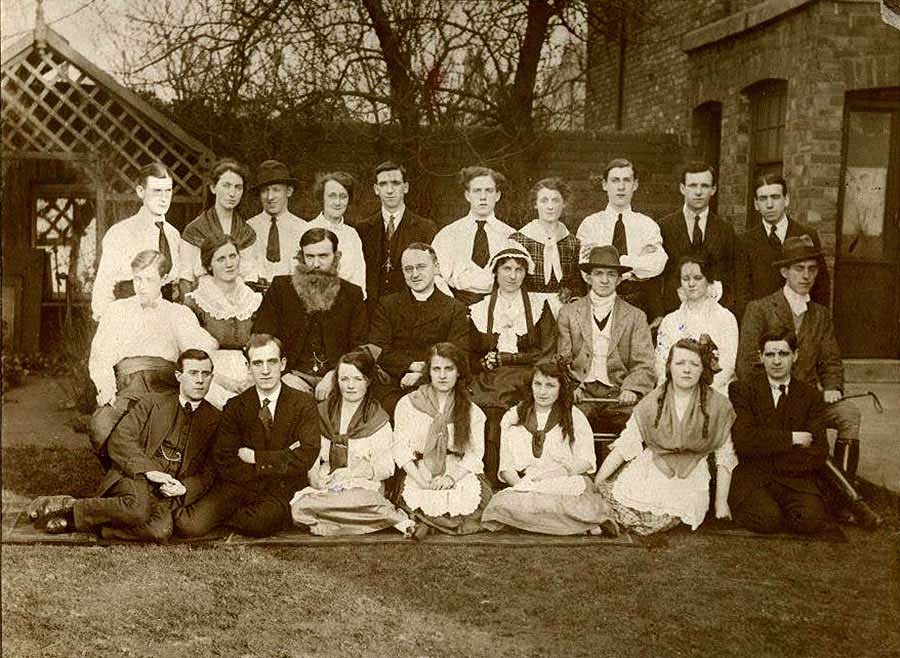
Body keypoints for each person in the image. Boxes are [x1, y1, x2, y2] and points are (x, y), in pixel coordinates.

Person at [29, 350, 221, 541]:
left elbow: (210, 469)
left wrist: (184, 488)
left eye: (205, 374)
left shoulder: (215, 419)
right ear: (179, 376)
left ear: (211, 378)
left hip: (171, 490)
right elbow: (121, 438)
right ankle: (69, 507)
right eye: (193, 373)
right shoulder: (152, 403)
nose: (200, 380)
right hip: (135, 476)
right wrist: (149, 471)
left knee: (160, 531)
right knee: (137, 509)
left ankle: (87, 525)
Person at [736, 235, 862, 480]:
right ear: (784, 271)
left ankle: (846, 496)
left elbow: (831, 360)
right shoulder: (760, 309)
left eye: (812, 269)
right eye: (799, 269)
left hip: (810, 402)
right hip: (770, 402)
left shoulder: (820, 315)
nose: (806, 276)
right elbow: (747, 363)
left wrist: (832, 386)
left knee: (850, 413)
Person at [177, 334, 321, 538]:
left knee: (259, 522)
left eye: (271, 362)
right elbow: (223, 457)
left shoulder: (303, 404)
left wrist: (256, 458)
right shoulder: (236, 406)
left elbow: (307, 454)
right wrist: (280, 458)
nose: (265, 370)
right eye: (257, 363)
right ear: (248, 367)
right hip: (239, 485)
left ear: (283, 364)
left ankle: (236, 520)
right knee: (189, 525)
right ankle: (227, 519)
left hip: (280, 488)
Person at [594, 338, 737, 535]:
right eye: (680, 363)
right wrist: (596, 484)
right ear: (669, 367)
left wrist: (721, 502)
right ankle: (605, 518)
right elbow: (625, 447)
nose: (687, 370)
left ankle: (611, 522)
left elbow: (725, 456)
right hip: (650, 470)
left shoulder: (717, 405)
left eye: (694, 364)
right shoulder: (653, 401)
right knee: (605, 495)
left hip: (688, 477)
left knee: (657, 520)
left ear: (703, 369)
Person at [88, 250, 217, 464]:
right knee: (102, 424)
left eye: (149, 279)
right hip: (128, 388)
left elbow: (199, 352)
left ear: (164, 279)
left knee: (175, 428)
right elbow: (101, 356)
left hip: (166, 387)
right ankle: (125, 475)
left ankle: (163, 474)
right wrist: (106, 388)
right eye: (137, 278)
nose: (141, 286)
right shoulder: (116, 311)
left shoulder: (178, 314)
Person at [481, 359, 618, 536]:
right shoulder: (513, 417)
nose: (542, 391)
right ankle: (578, 524)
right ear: (530, 386)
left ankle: (540, 522)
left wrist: (558, 473)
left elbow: (585, 461)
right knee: (500, 505)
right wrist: (522, 486)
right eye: (537, 384)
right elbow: (507, 468)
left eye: (550, 386)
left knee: (574, 499)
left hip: (563, 479)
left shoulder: (573, 416)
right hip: (529, 482)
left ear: (561, 388)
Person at [289, 349, 415, 537]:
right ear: (336, 381)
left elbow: (386, 467)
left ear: (368, 381)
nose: (350, 386)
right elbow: (310, 453)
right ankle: (384, 519)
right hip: (328, 485)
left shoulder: (377, 418)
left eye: (357, 379)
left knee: (364, 499)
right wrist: (315, 478)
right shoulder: (322, 412)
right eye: (344, 379)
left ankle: (332, 522)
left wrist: (352, 472)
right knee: (299, 508)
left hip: (362, 485)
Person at [468, 242, 556, 487]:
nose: (512, 275)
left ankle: (510, 477)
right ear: (495, 272)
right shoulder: (479, 309)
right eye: (506, 269)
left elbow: (547, 353)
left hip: (528, 377)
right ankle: (484, 478)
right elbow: (469, 354)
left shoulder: (539, 307)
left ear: (526, 273)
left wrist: (508, 358)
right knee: (481, 408)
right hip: (488, 378)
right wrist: (483, 361)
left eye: (519, 269)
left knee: (504, 406)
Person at [728, 329, 830, 534]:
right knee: (766, 520)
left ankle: (781, 512)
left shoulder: (810, 396)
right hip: (754, 477)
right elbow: (744, 440)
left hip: (795, 479)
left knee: (810, 520)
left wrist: (769, 449)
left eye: (783, 354)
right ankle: (772, 513)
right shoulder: (743, 390)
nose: (776, 361)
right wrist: (792, 438)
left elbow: (819, 450)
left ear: (795, 355)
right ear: (760, 356)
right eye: (770, 354)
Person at [252, 228, 368, 400]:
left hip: (337, 378)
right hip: (292, 375)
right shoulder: (281, 288)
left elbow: (360, 346)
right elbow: (262, 336)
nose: (316, 264)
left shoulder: (352, 294)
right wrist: (283, 375)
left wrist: (335, 375)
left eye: (323, 256)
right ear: (301, 257)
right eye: (310, 257)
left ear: (336, 257)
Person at [393, 342, 492, 536]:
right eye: (436, 369)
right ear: (428, 372)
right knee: (420, 499)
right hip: (420, 470)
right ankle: (423, 519)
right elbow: (401, 449)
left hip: (456, 470)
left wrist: (450, 478)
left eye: (449, 369)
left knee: (466, 505)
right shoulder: (407, 404)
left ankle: (429, 523)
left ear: (458, 372)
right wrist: (421, 481)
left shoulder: (472, 411)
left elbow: (474, 454)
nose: (442, 375)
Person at [557, 245, 656, 436]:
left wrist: (632, 389)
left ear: (619, 279)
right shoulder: (568, 313)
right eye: (598, 273)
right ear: (588, 277)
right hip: (582, 393)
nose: (604, 280)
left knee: (643, 422)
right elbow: (562, 359)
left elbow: (644, 363)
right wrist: (572, 387)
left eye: (611, 274)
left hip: (618, 393)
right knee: (567, 424)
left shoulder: (636, 316)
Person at [367, 243, 469, 415]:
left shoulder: (454, 308)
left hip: (438, 381)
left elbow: (458, 355)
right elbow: (377, 349)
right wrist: (411, 365)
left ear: (436, 267)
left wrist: (424, 374)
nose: (414, 274)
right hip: (392, 380)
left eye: (421, 267)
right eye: (408, 269)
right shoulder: (388, 304)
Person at [91, 162, 184, 319]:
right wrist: (109, 325)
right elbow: (104, 286)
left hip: (164, 319)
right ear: (141, 191)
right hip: (130, 317)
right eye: (157, 191)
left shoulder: (173, 234)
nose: (163, 199)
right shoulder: (121, 233)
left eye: (168, 191)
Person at [576, 158, 667, 316]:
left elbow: (657, 264)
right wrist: (636, 265)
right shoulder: (591, 224)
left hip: (638, 304)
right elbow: (586, 269)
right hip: (598, 304)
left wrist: (622, 262)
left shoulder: (647, 225)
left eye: (627, 180)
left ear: (635, 185)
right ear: (605, 185)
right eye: (615, 180)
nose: (621, 187)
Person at [734, 173, 830, 321]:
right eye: (763, 199)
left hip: (800, 321)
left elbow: (821, 287)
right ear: (755, 204)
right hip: (762, 325)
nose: (769, 204)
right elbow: (742, 293)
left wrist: (813, 325)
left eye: (775, 197)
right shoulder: (745, 241)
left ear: (786, 200)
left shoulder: (806, 234)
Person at [184, 235, 263, 409]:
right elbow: (191, 355)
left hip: (251, 370)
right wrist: (225, 381)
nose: (229, 264)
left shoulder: (254, 300)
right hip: (211, 374)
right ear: (208, 265)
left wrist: (253, 377)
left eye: (233, 256)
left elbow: (261, 344)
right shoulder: (195, 303)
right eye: (221, 259)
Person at [654, 162, 737, 321]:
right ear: (682, 188)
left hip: (714, 316)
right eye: (692, 185)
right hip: (673, 313)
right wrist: (658, 314)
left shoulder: (725, 230)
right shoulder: (663, 227)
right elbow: (657, 278)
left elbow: (731, 276)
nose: (698, 192)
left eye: (704, 186)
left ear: (713, 190)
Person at [356, 161, 438, 313]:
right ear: (376, 189)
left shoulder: (425, 228)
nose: (389, 190)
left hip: (411, 312)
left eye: (395, 183)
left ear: (405, 187)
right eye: (383, 184)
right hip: (371, 312)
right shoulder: (362, 229)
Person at [655, 255, 738, 396]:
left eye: (697, 278)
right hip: (675, 391)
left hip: (716, 390)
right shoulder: (670, 320)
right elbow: (661, 362)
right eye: (686, 279)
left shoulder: (725, 318)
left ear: (708, 281)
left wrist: (700, 390)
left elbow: (728, 364)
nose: (691, 284)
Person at [431, 166, 514, 305]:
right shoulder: (448, 234)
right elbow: (435, 275)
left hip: (500, 307)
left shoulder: (510, 236)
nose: (483, 197)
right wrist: (452, 306)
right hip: (456, 305)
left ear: (498, 195)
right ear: (467, 195)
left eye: (489, 190)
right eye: (477, 191)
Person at [179, 158, 257, 294]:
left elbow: (250, 276)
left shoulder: (246, 233)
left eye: (238, 187)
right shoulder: (194, 230)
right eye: (226, 185)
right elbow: (186, 278)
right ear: (213, 188)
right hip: (203, 303)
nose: (232, 193)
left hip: (239, 304)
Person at [509, 177, 583, 317]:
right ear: (535, 204)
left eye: (555, 200)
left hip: (562, 312)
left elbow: (577, 284)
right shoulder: (518, 241)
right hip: (526, 312)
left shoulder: (573, 243)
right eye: (544, 200)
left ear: (564, 203)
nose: (550, 206)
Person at [245, 160, 308, 287]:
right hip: (255, 295)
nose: (270, 197)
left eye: (276, 190)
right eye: (264, 191)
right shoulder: (248, 227)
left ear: (289, 191)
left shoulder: (303, 228)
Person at [306, 171, 367, 296]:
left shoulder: (352, 235)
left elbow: (359, 279)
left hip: (347, 305)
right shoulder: (305, 230)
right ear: (322, 197)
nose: (338, 202)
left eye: (343, 196)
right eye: (332, 196)